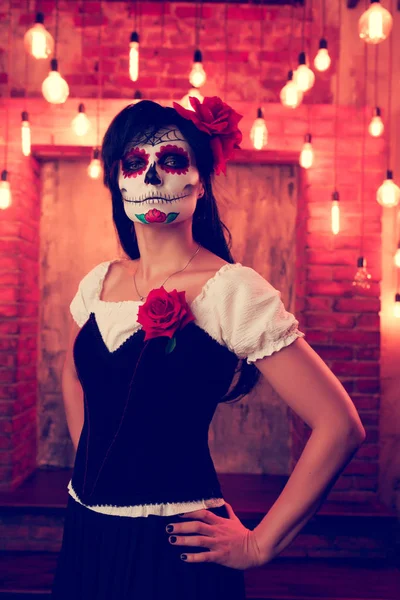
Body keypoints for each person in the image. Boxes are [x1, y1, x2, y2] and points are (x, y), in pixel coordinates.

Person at [51, 96, 365, 600]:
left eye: (172, 160)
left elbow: (340, 426)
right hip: (87, 530)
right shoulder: (98, 281)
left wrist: (260, 545)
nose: (152, 176)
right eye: (135, 162)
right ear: (116, 180)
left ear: (202, 179)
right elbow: (75, 375)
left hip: (177, 548)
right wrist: (94, 464)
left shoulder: (232, 289)